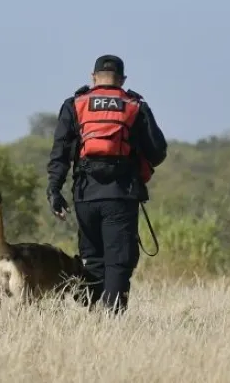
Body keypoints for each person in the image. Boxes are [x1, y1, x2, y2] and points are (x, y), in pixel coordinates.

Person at [46, 54, 168, 314]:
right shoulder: (134, 105)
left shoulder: (75, 104)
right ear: (122, 80)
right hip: (120, 194)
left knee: (92, 258)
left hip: (84, 195)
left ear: (93, 77)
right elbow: (158, 151)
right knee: (119, 260)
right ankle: (111, 321)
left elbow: (60, 153)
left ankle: (92, 316)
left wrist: (54, 190)